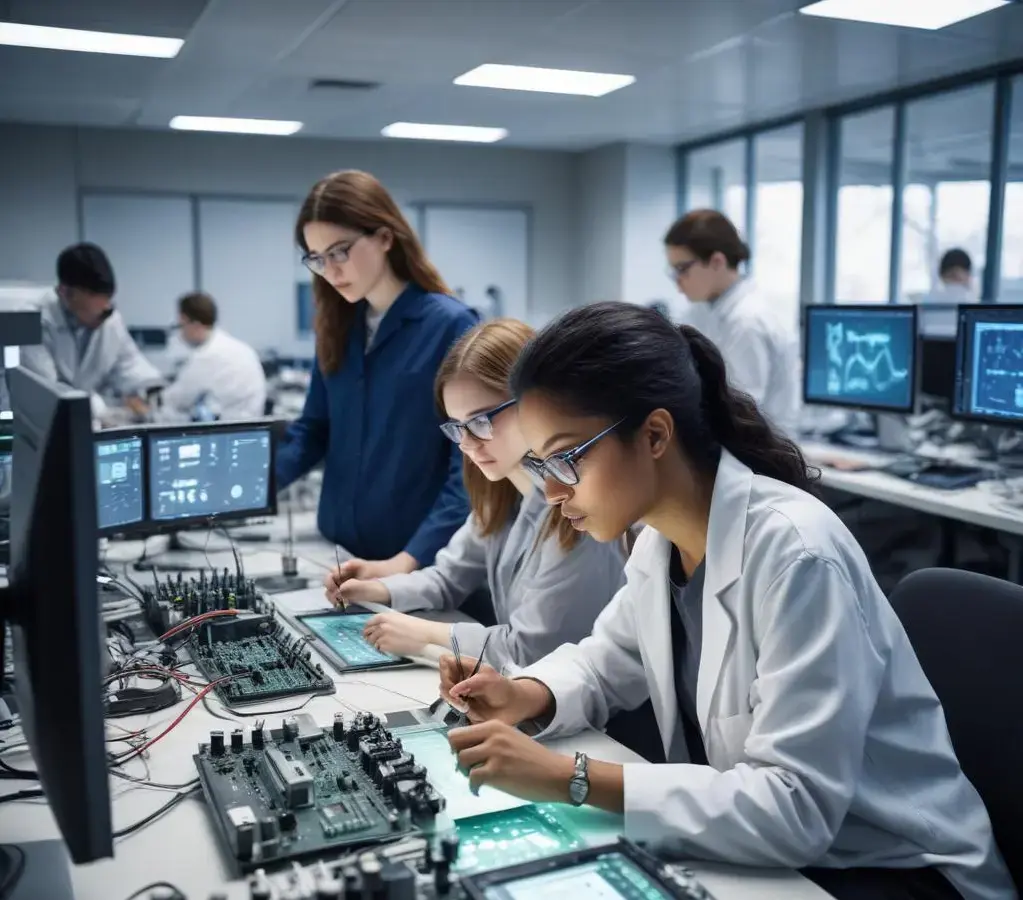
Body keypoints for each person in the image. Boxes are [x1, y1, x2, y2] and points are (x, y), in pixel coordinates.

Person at [439, 302, 1014, 900]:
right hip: (778, 851)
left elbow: (795, 806)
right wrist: (525, 694)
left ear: (654, 435)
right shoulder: (661, 542)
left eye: (566, 458)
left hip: (894, 865)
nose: (552, 491)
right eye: (540, 464)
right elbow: (605, 661)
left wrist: (571, 778)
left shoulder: (797, 555)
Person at [323, 318, 625, 670]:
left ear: (535, 404)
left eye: (481, 421)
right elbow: (448, 577)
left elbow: (533, 650)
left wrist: (425, 637)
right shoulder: (500, 492)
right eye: (457, 427)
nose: (467, 444)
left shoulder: (579, 514)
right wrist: (376, 588)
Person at [276, 170, 478, 576]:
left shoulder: (450, 325)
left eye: (340, 251)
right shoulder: (337, 326)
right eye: (317, 258)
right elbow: (314, 430)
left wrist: (408, 561)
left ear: (385, 237)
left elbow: (469, 469)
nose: (330, 271)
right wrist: (247, 491)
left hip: (411, 563)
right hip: (337, 551)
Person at [667, 210, 800, 436]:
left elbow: (741, 414)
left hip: (756, 449)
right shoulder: (703, 310)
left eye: (682, 269)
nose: (677, 281)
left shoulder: (747, 322)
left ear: (717, 262)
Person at [19, 243, 161, 426]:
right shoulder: (28, 320)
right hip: (41, 426)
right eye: (95, 296)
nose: (106, 308)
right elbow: (46, 390)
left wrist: (150, 387)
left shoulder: (109, 318)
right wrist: (101, 410)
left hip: (86, 422)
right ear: (65, 292)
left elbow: (128, 362)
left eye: (108, 299)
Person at [149, 292, 267, 423]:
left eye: (180, 325)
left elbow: (174, 400)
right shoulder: (240, 348)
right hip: (251, 424)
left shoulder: (207, 355)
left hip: (231, 428)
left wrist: (149, 402)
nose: (180, 333)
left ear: (192, 323)